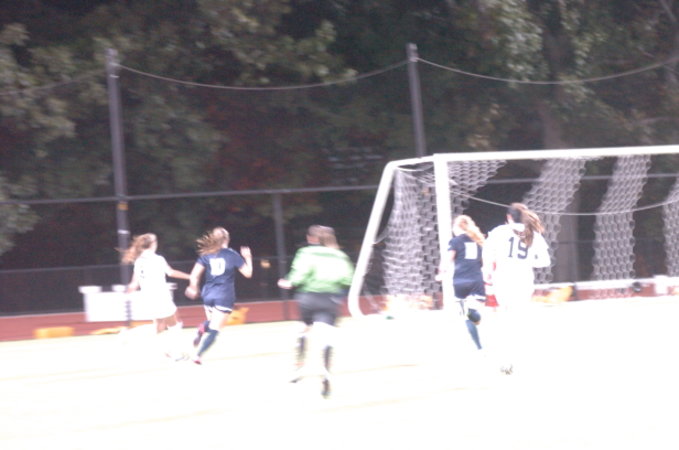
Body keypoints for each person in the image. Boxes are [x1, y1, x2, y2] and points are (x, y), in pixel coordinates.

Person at [278, 225, 354, 398]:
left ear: (312, 238)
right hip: (330, 299)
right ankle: (326, 373)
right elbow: (347, 279)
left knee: (303, 329)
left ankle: (299, 368)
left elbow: (300, 274)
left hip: (308, 298)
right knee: (327, 337)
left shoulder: (306, 253)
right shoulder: (340, 255)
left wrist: (290, 282)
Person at [482, 203, 551, 374]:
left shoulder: (499, 232)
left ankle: (505, 359)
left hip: (502, 281)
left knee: (504, 318)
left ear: (509, 217)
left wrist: (487, 272)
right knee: (518, 319)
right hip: (524, 282)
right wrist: (527, 261)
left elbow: (487, 255)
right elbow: (544, 261)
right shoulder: (534, 235)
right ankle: (517, 358)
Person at [184, 227, 253, 365]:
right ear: (227, 239)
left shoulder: (207, 254)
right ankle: (198, 355)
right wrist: (248, 258)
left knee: (211, 323)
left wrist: (193, 286)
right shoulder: (231, 254)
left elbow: (194, 274)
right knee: (215, 329)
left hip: (208, 294)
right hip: (224, 295)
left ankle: (202, 329)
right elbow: (248, 273)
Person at [122, 233, 191, 360]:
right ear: (152, 244)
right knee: (174, 325)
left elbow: (134, 283)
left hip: (148, 298)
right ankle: (175, 354)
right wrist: (190, 277)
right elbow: (171, 272)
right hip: (160, 296)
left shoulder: (139, 261)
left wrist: (130, 290)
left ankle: (129, 335)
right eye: (155, 241)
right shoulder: (157, 259)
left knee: (159, 327)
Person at [440, 215, 486, 351]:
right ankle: (474, 316)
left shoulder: (455, 241)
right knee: (473, 313)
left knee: (466, 316)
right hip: (476, 280)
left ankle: (479, 348)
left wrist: (441, 272)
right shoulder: (478, 240)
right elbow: (484, 261)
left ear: (457, 227)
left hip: (460, 281)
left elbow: (448, 260)